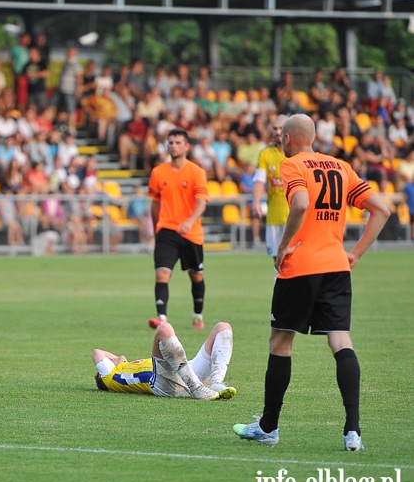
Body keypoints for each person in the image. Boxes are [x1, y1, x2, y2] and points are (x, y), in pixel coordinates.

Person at [234, 114, 391, 451]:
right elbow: (381, 210)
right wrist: (356, 254)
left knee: (280, 343)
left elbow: (302, 204)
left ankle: (268, 428)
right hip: (336, 266)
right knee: (341, 341)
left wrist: (282, 246)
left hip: (301, 265)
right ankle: (353, 431)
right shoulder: (341, 166)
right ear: (314, 137)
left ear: (287, 139)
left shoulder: (292, 165)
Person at [147, 129, 209, 331]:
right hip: (166, 231)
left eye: (178, 142)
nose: (173, 145)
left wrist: (190, 222)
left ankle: (197, 315)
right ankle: (162, 317)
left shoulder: (196, 172)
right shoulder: (158, 172)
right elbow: (155, 203)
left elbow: (201, 203)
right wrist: (157, 228)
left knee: (196, 276)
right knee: (162, 274)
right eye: (170, 142)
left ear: (186, 146)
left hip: (191, 233)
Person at [93, 320, 236, 400]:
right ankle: (197, 388)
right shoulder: (110, 378)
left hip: (184, 374)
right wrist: (118, 361)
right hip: (163, 384)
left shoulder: (125, 367)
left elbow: (118, 357)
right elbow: (97, 353)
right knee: (164, 329)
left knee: (222, 327)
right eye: (110, 360)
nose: (112, 358)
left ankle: (216, 383)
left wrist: (120, 360)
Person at [252, 115, 289, 275]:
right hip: (274, 215)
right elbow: (259, 180)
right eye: (275, 128)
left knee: (295, 258)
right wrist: (256, 202)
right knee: (276, 260)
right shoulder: (265, 153)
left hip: (294, 215)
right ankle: (281, 293)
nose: (277, 132)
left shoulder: (298, 153)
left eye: (281, 128)